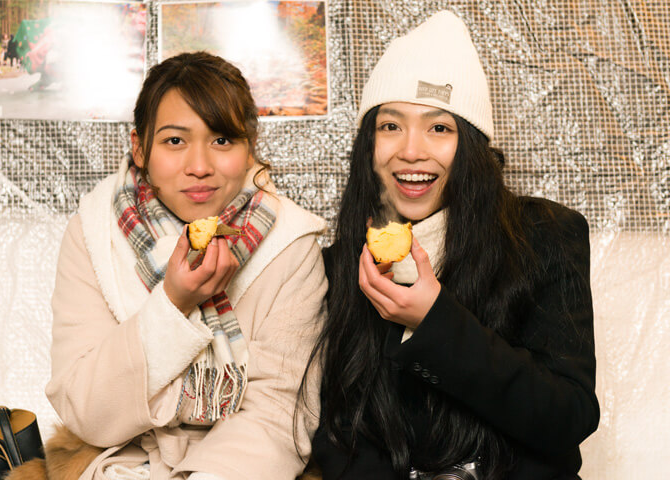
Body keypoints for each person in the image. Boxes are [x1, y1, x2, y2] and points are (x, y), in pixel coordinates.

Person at [306, 10, 599, 480]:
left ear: (472, 148)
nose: (412, 151)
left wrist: (434, 320)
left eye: (439, 128)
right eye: (390, 126)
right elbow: (339, 438)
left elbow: (567, 418)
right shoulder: (339, 264)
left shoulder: (546, 234)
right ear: (369, 145)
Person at [42, 52, 327, 480]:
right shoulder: (95, 230)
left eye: (222, 140)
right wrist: (173, 302)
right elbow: (85, 409)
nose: (199, 167)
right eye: (175, 141)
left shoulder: (291, 243)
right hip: (117, 464)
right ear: (140, 148)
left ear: (250, 148)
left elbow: (278, 417)